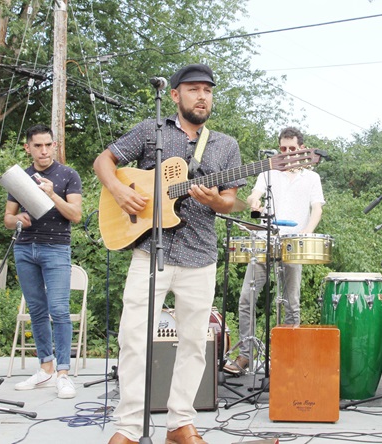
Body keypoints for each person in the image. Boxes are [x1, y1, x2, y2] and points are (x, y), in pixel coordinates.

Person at [94, 64, 245, 444]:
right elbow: (104, 161)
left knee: (195, 343)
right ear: (175, 95)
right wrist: (118, 190)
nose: (202, 96)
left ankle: (179, 423)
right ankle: (128, 428)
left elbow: (232, 200)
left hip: (200, 254)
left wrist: (219, 201)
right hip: (149, 251)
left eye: (207, 91)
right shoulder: (152, 131)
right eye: (193, 89)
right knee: (133, 338)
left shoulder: (225, 145)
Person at [224, 127, 325, 375]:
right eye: (283, 148)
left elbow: (317, 209)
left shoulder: (311, 178)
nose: (287, 153)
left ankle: (291, 355)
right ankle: (246, 354)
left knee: (291, 302)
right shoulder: (269, 172)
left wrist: (306, 233)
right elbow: (253, 196)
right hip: (263, 239)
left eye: (292, 149)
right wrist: (254, 202)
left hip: (293, 243)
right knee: (247, 298)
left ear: (301, 149)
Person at [4, 124, 83, 399]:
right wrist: (18, 220)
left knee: (59, 310)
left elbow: (75, 215)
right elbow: (7, 218)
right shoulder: (21, 177)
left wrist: (51, 194)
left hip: (56, 249)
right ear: (28, 148)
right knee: (37, 311)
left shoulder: (67, 175)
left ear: (54, 145)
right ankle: (45, 368)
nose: (44, 150)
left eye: (48, 144)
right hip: (25, 249)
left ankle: (63, 373)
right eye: (37, 145)